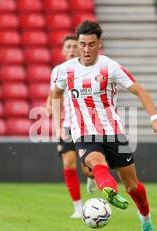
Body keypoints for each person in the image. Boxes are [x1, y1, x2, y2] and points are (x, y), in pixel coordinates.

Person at [51, 21, 157, 231]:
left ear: (99, 44)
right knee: (96, 162)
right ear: (78, 44)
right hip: (83, 132)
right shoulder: (66, 70)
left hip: (113, 132)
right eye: (82, 44)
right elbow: (56, 96)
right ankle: (109, 191)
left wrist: (155, 118)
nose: (86, 50)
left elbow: (139, 91)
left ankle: (146, 218)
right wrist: (58, 126)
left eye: (91, 44)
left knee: (133, 186)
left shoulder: (109, 67)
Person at [46, 35, 96, 219]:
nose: (72, 50)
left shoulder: (88, 70)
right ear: (63, 50)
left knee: (88, 167)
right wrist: (49, 106)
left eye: (76, 46)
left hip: (86, 125)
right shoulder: (57, 71)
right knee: (68, 162)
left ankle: (91, 177)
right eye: (68, 46)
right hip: (67, 125)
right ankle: (78, 207)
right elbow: (52, 94)